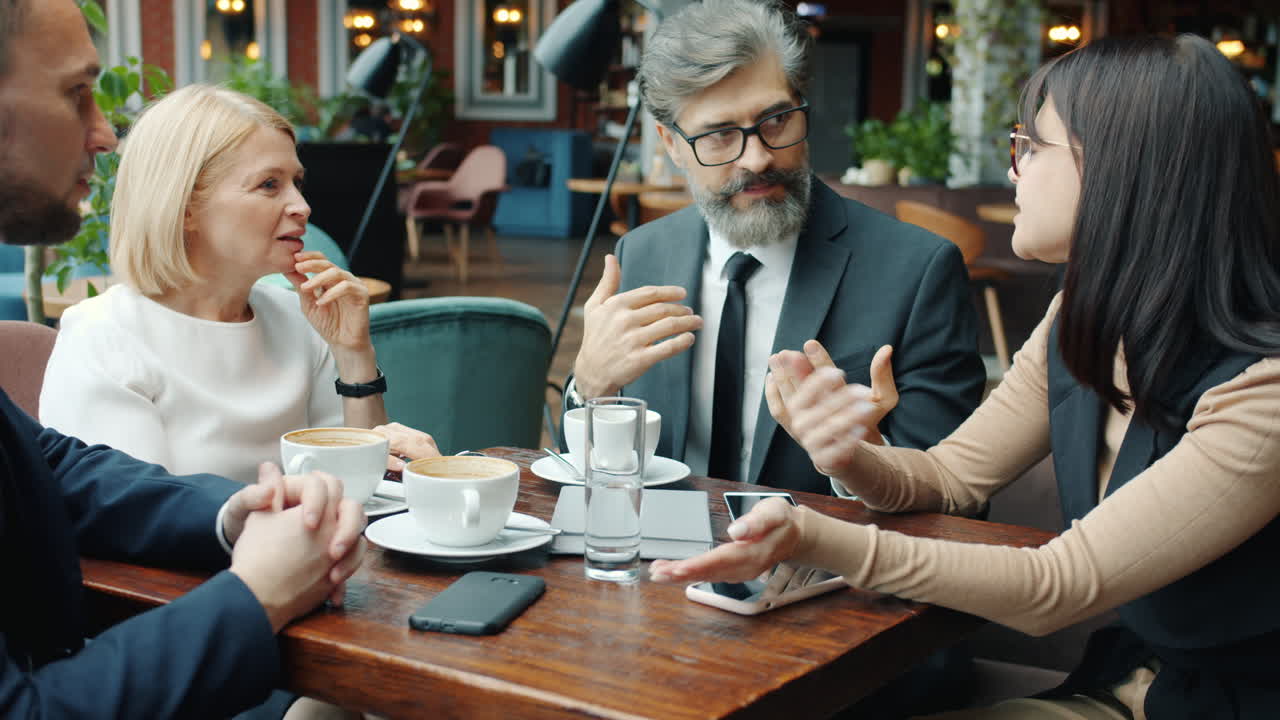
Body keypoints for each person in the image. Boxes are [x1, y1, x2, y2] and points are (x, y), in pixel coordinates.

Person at [652, 33, 1280, 720]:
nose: (1013, 171)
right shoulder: (1083, 318)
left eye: (1030, 146)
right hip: (1132, 683)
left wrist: (815, 536)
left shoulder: (1264, 391)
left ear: (1124, 170)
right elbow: (952, 476)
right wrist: (848, 456)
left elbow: (1058, 585)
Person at [0, 1, 366, 716]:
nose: (106, 134)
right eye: (76, 93)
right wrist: (256, 596)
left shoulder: (292, 317)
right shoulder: (106, 332)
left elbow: (56, 466)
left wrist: (232, 513)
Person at [566, 0, 985, 495]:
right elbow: (585, 468)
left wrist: (862, 456)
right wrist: (588, 386)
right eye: (721, 135)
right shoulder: (640, 253)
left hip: (825, 545)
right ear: (671, 144)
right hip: (660, 542)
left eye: (777, 120)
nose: (758, 158)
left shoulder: (916, 271)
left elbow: (953, 497)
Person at [38, 83, 439, 484]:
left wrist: (354, 355)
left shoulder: (298, 319)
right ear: (185, 207)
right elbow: (135, 510)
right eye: (269, 184)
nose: (302, 206)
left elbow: (363, 486)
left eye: (297, 182)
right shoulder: (104, 335)